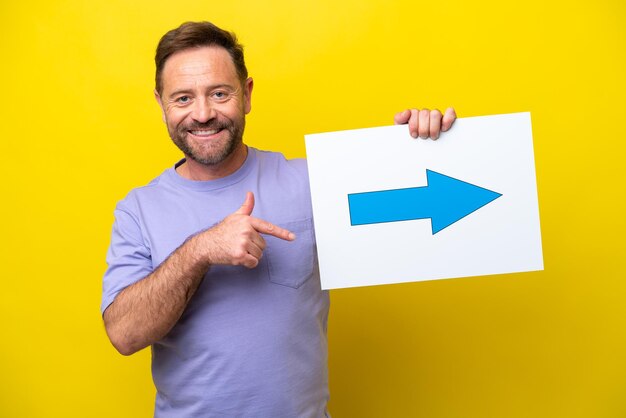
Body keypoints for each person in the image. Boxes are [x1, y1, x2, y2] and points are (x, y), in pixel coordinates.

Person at [101, 21, 456, 418]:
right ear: (161, 103)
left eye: (219, 93)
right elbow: (124, 334)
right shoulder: (138, 210)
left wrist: (422, 148)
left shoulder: (311, 182)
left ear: (247, 94)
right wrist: (201, 249)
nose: (202, 114)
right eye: (183, 98)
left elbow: (405, 210)